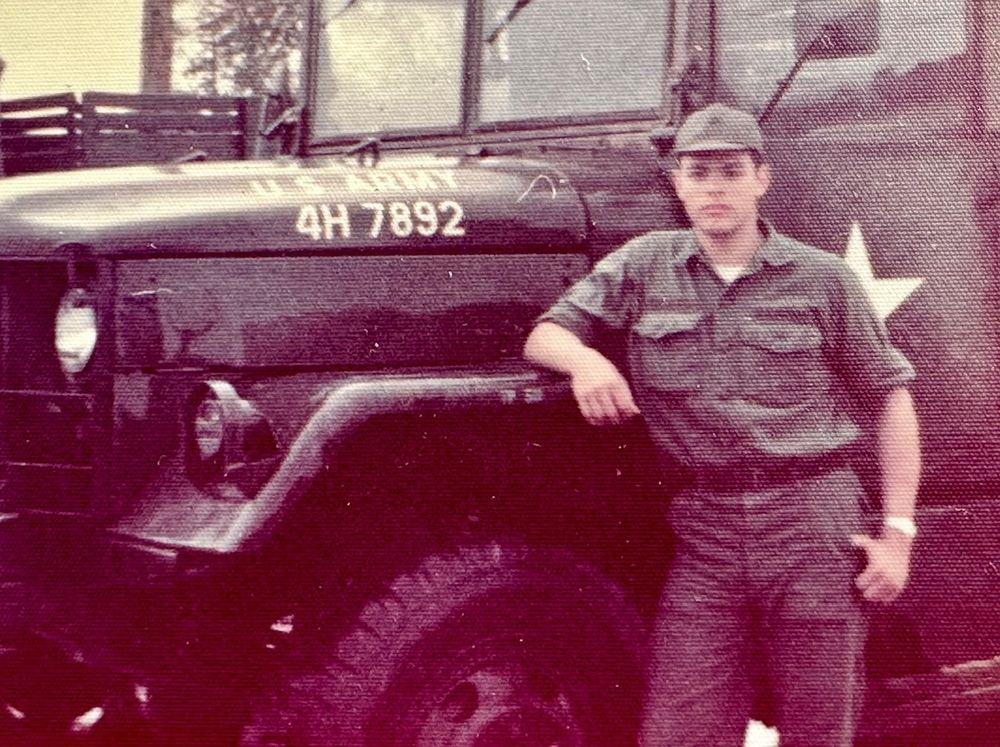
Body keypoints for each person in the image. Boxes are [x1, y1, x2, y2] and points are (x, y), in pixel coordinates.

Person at [523, 103, 920, 746]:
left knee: (819, 729)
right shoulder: (645, 264)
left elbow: (891, 399)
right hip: (705, 530)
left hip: (813, 524)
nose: (714, 188)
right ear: (677, 184)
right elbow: (545, 334)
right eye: (698, 172)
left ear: (762, 179)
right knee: (680, 729)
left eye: (730, 172)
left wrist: (897, 535)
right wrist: (586, 362)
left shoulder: (823, 278)